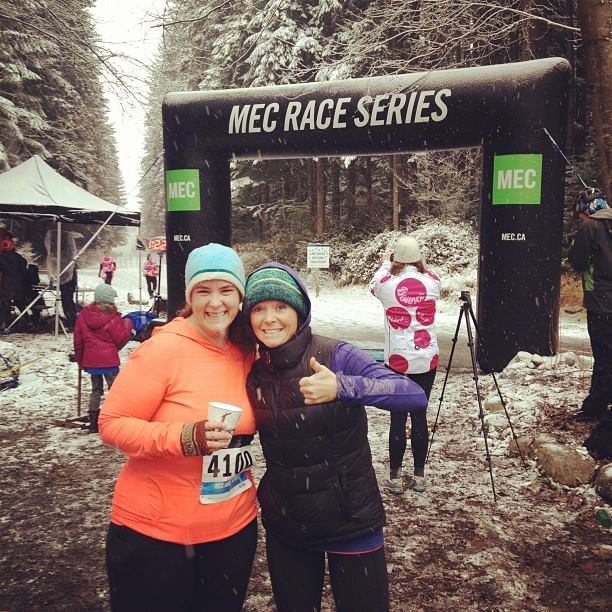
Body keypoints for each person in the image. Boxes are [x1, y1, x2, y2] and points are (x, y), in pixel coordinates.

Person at [242, 262, 428, 612]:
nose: (269, 318)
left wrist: (344, 386)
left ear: (299, 311)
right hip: (287, 523)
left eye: (281, 307)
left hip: (350, 519)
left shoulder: (334, 354)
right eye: (259, 309)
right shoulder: (254, 371)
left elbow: (412, 395)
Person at [98, 243, 258, 612]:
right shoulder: (162, 350)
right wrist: (185, 437)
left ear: (240, 296)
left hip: (232, 530)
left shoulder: (247, 350)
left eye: (226, 290)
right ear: (189, 296)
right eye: (203, 291)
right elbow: (112, 424)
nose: (215, 303)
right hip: (155, 534)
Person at [369, 235, 441, 494]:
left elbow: (374, 284)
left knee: (397, 420)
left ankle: (396, 477)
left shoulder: (387, 285)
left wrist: (386, 264)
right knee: (420, 417)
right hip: (427, 360)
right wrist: (420, 264)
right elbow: (432, 275)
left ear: (396, 258)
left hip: (398, 362)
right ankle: (420, 477)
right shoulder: (433, 282)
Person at [568, 188, 612, 458]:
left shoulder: (591, 227)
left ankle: (596, 407)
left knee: (604, 358)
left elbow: (577, 261)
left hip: (600, 304)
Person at [73, 283, 133, 433]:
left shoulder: (83, 316)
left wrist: (81, 361)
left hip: (92, 361)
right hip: (109, 361)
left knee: (96, 390)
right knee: (115, 389)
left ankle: (94, 422)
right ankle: (115, 417)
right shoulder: (112, 318)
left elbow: (78, 340)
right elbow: (119, 339)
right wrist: (128, 326)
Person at [45, 229, 78, 329]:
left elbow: (67, 269)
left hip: (69, 282)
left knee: (67, 301)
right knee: (66, 301)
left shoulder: (67, 255)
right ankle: (71, 321)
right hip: (66, 281)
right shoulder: (58, 255)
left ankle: (72, 322)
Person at [0, 231, 29, 330]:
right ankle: (28, 320)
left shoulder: (1, 258)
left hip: (6, 283)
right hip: (18, 283)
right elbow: (24, 270)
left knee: (5, 305)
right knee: (20, 302)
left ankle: (5, 324)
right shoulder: (19, 258)